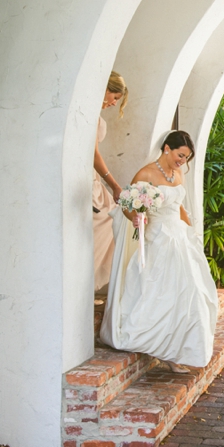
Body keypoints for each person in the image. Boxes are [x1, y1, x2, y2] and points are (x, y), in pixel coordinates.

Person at [99, 130, 219, 372]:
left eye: (186, 158)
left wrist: (191, 232)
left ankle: (179, 350)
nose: (182, 161)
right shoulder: (145, 174)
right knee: (161, 294)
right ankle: (168, 354)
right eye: (180, 155)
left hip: (180, 238)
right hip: (158, 239)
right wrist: (135, 218)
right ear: (167, 148)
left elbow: (179, 206)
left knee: (193, 293)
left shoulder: (178, 174)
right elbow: (127, 204)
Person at [93, 71, 128, 292]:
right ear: (104, 89)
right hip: (91, 180)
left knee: (114, 220)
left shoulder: (96, 118)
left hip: (94, 180)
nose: (114, 103)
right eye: (114, 97)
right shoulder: (91, 118)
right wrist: (114, 185)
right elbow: (94, 155)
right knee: (107, 220)